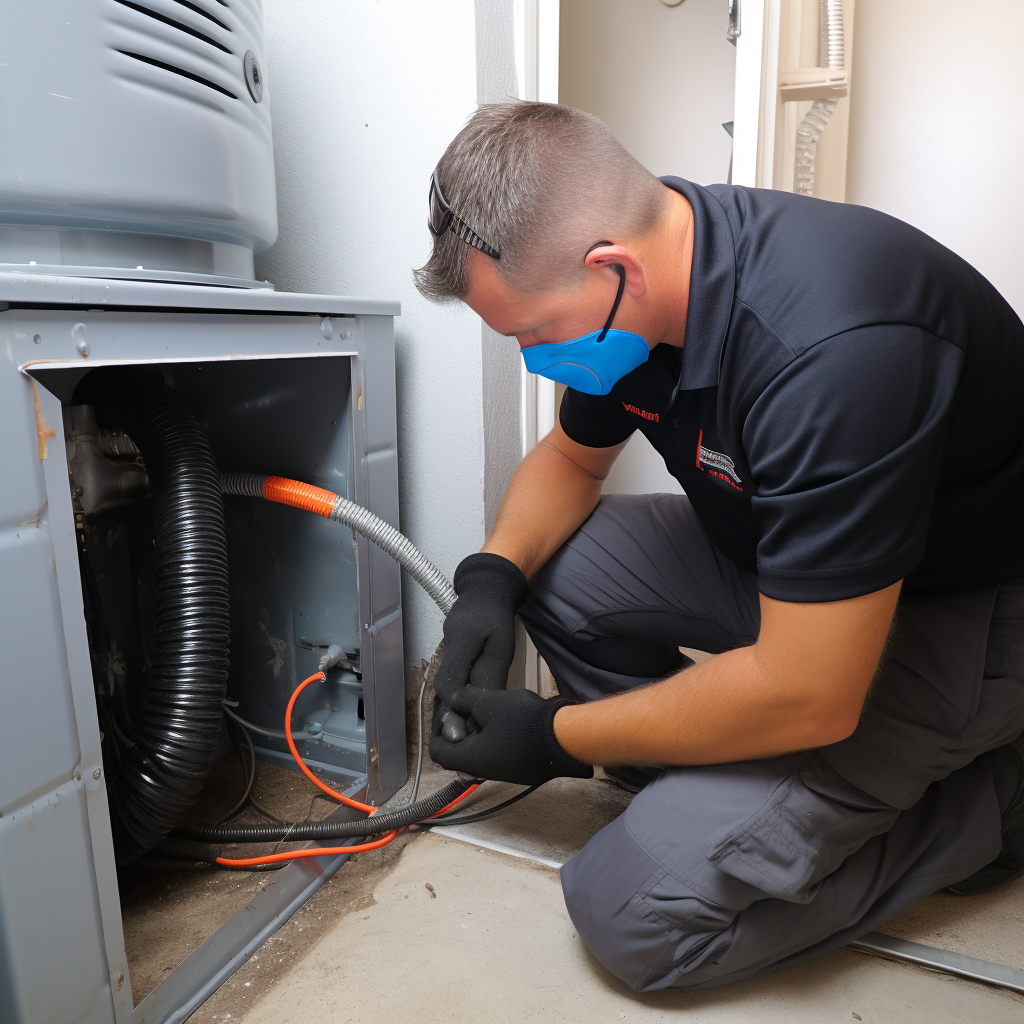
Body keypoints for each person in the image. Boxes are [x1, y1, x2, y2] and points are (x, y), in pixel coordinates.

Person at [415, 101, 1024, 991]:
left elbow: (810, 691)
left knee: (634, 917)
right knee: (558, 568)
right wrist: (490, 580)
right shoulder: (647, 287)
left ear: (608, 267)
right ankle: (731, 783)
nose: (535, 359)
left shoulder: (833, 349)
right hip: (796, 580)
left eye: (535, 334)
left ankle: (989, 807)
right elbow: (569, 464)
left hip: (964, 611)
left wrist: (555, 737)